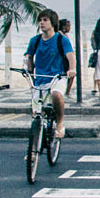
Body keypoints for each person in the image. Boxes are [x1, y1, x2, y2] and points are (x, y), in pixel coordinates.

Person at [23, 9, 75, 138]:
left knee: (56, 94)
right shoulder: (34, 40)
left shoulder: (61, 40)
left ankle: (60, 124)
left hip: (58, 77)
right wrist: (27, 70)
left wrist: (72, 69)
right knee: (36, 116)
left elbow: (70, 57)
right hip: (40, 79)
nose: (41, 23)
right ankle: (33, 152)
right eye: (40, 20)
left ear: (53, 22)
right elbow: (29, 57)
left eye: (45, 20)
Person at [59, 18, 73, 97]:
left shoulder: (65, 35)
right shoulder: (60, 35)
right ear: (64, 27)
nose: (69, 28)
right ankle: (67, 91)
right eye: (68, 26)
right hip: (63, 59)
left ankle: (67, 91)